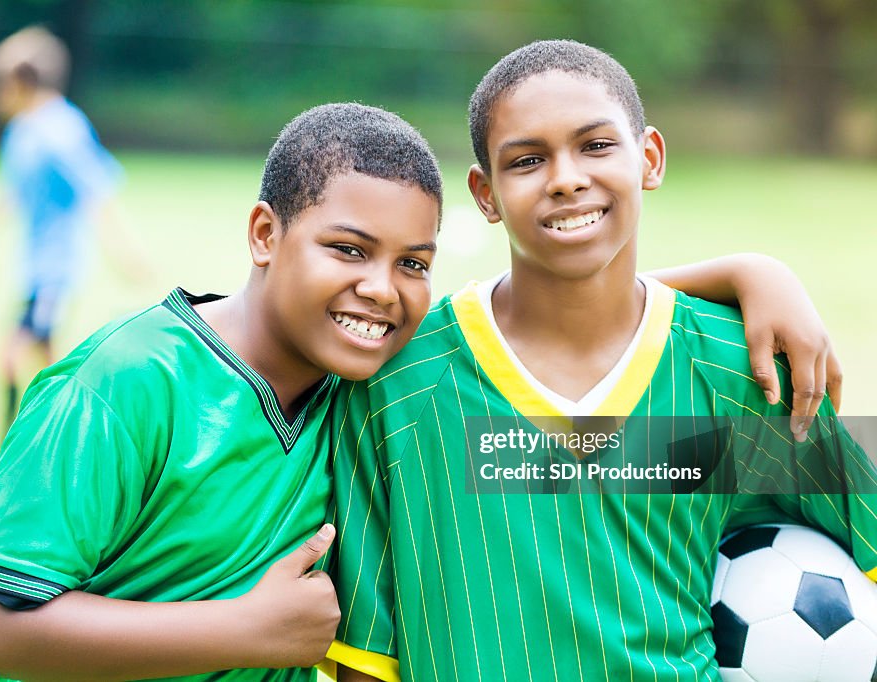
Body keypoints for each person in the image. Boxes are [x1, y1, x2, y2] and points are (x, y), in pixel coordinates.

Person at [0, 102, 837, 680]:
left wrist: (748, 271)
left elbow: (554, 316)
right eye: (348, 249)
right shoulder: (128, 383)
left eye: (413, 263)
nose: (382, 288)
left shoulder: (376, 384)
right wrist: (245, 631)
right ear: (265, 232)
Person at [327, 41, 875, 681]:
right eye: (528, 160)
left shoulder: (739, 370)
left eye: (595, 146)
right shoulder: (398, 384)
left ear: (649, 158)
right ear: (486, 193)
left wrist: (756, 270)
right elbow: (365, 659)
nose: (565, 177)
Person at [0, 26, 146, 433]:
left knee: (10, 357)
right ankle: (58, 443)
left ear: (22, 82)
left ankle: (5, 454)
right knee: (50, 366)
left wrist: (125, 253)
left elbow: (97, 191)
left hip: (56, 271)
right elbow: (12, 192)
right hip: (34, 269)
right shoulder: (23, 131)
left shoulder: (62, 130)